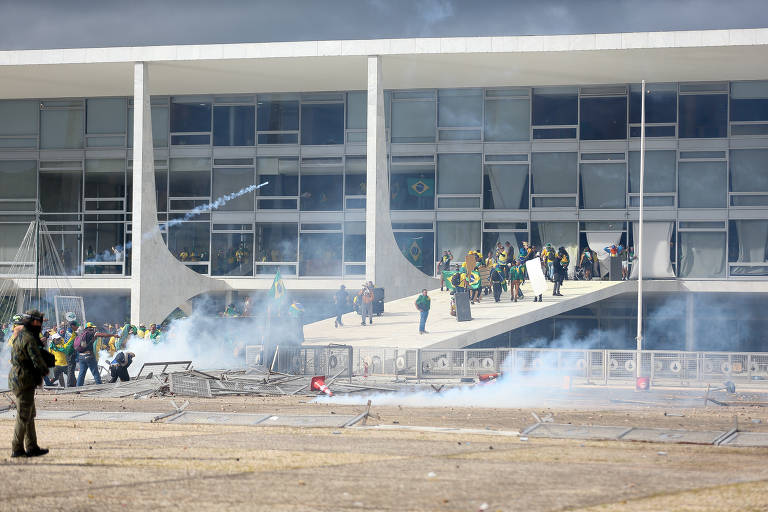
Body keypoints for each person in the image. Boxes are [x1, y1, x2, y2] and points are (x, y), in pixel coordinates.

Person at [9, 310, 52, 458]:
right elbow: (36, 359)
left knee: (29, 413)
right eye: (39, 321)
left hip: (20, 377)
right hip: (23, 379)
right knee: (23, 415)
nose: (40, 324)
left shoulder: (21, 335)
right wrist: (45, 370)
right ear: (34, 322)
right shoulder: (28, 337)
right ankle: (17, 448)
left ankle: (32, 446)